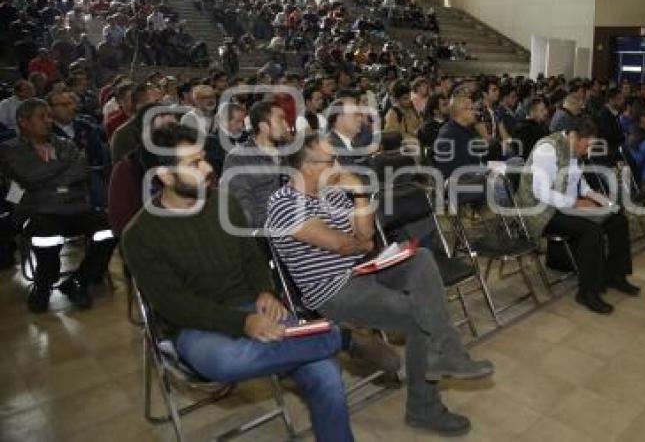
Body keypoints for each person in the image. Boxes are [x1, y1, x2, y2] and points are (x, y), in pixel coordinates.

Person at [121, 125, 355, 442]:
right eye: (194, 164)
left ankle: (326, 342)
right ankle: (340, 337)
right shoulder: (140, 235)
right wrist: (242, 322)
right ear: (164, 175)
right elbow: (174, 304)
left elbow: (251, 257)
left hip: (252, 304)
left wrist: (265, 290)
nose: (208, 169)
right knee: (228, 359)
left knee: (326, 374)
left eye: (204, 158)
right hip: (194, 326)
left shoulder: (225, 203)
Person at [265, 134, 494, 436]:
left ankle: (446, 353)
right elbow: (342, 245)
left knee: (422, 258)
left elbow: (367, 238)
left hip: (362, 270)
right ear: (306, 166)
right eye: (330, 161)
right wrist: (356, 242)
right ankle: (424, 406)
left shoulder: (332, 191)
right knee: (417, 316)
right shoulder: (282, 204)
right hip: (333, 290)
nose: (338, 166)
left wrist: (359, 193)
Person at [0, 99, 116, 313]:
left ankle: (79, 281)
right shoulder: (10, 148)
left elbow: (82, 170)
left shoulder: (64, 143)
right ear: (23, 122)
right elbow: (29, 176)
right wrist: (64, 167)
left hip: (75, 207)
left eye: (49, 116)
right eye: (41, 117)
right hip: (39, 211)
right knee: (46, 236)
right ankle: (43, 286)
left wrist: (50, 177)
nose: (48, 121)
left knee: (109, 228)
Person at [514, 117, 638, 315]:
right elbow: (540, 192)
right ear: (574, 137)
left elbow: (581, 185)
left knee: (617, 220)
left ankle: (616, 275)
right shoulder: (547, 149)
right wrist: (576, 203)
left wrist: (604, 201)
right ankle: (587, 292)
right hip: (541, 212)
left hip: (565, 205)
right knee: (591, 231)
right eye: (586, 145)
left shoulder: (575, 150)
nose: (588, 151)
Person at [223, 101, 292, 229]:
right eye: (281, 120)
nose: (286, 125)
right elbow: (243, 207)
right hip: (266, 231)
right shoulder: (239, 158)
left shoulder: (290, 153)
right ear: (264, 127)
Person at [204, 102, 248, 180]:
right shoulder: (211, 142)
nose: (242, 125)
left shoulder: (245, 135)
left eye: (243, 121)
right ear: (225, 121)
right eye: (238, 121)